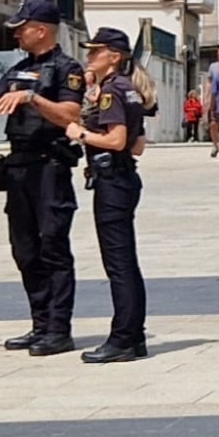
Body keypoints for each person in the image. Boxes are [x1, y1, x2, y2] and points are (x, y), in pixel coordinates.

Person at [0, 0, 85, 354]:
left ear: (42, 30)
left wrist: (34, 99)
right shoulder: (18, 69)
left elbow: (71, 114)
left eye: (22, 29)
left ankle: (59, 329)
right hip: (18, 168)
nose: (17, 35)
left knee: (53, 246)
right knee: (25, 249)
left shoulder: (67, 69)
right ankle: (40, 324)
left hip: (49, 166)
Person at [66, 27, 151, 362]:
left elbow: (117, 140)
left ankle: (123, 338)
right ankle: (134, 336)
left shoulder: (113, 91)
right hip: (124, 177)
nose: (89, 57)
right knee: (126, 262)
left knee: (118, 264)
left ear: (113, 56)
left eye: (95, 51)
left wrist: (81, 133)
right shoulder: (129, 89)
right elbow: (138, 145)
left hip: (112, 181)